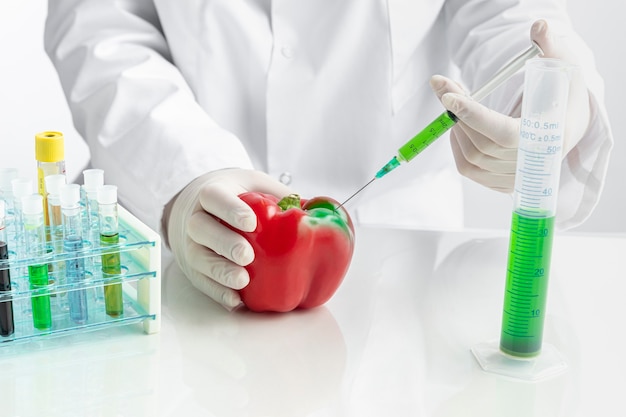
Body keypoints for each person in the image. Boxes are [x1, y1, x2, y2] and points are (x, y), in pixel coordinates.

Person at [44, 1, 613, 309]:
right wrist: (185, 174)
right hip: (185, 252)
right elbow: (100, 30)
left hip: (400, 269)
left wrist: (545, 103)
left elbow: (515, 15)